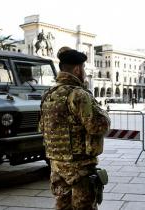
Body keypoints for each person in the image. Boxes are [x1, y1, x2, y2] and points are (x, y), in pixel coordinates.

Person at [40, 47, 110, 209]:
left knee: (62, 206)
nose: (84, 72)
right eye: (83, 68)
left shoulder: (48, 95)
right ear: (78, 69)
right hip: (79, 168)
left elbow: (43, 128)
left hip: (56, 166)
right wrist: (104, 115)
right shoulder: (78, 95)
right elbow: (98, 127)